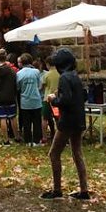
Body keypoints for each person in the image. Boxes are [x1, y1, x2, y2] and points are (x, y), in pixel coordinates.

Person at [41, 48, 89, 200]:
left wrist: (53, 99)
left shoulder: (64, 78)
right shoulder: (75, 76)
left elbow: (65, 100)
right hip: (79, 118)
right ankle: (84, 190)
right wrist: (60, 94)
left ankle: (57, 189)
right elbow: (82, 96)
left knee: (54, 153)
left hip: (67, 121)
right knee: (77, 153)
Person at [0, 50, 19, 145]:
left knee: (2, 118)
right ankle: (17, 137)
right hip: (11, 96)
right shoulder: (12, 71)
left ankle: (5, 139)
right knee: (12, 117)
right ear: (6, 56)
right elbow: (15, 83)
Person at [17, 54, 43, 146]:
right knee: (37, 122)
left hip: (25, 101)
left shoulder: (19, 74)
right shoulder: (36, 72)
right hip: (36, 100)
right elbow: (40, 85)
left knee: (26, 122)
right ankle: (37, 140)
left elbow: (18, 87)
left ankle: (27, 140)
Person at [41, 56, 59, 143]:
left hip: (47, 99)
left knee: (44, 118)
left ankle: (44, 137)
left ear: (47, 64)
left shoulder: (46, 75)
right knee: (57, 118)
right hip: (57, 99)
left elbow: (42, 86)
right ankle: (59, 136)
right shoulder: (59, 73)